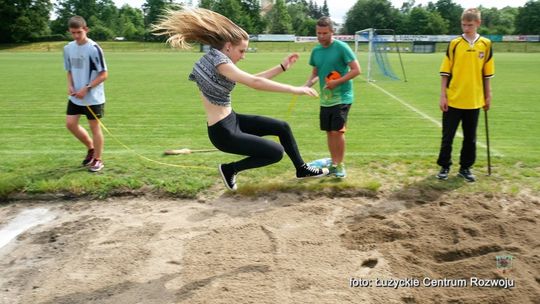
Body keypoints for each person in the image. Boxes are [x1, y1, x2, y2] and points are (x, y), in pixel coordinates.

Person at [153, 8, 328, 191]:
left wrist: (281, 67)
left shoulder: (214, 58)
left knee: (282, 127)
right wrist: (296, 89)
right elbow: (254, 82)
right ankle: (230, 169)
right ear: (228, 46)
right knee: (276, 152)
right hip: (224, 133)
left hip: (232, 120)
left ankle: (302, 169)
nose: (243, 56)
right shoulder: (219, 62)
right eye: (241, 50)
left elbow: (250, 79)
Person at [436, 8, 494, 182]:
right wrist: (443, 95)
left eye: (470, 24)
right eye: (463, 24)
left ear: (478, 23)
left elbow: (487, 73)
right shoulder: (455, 44)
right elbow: (446, 71)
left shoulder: (486, 44)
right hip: (453, 98)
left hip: (475, 100)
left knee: (471, 138)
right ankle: (444, 166)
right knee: (448, 137)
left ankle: (465, 168)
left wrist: (488, 95)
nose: (466, 28)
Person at [304, 16, 361, 178]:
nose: (321, 37)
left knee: (338, 132)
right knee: (329, 132)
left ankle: (340, 165)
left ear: (332, 32)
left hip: (342, 97)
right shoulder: (316, 51)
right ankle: (334, 162)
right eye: (318, 33)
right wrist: (306, 86)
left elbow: (356, 70)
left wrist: (337, 82)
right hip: (326, 99)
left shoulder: (342, 47)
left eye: (324, 33)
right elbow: (316, 73)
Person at [63, 16, 108, 172]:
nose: (76, 36)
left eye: (79, 32)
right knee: (70, 124)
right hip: (75, 97)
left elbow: (103, 74)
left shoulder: (94, 48)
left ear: (86, 29)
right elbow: (69, 70)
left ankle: (98, 159)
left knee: (94, 127)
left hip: (93, 98)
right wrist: (70, 85)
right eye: (73, 32)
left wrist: (86, 88)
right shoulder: (68, 48)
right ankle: (91, 148)